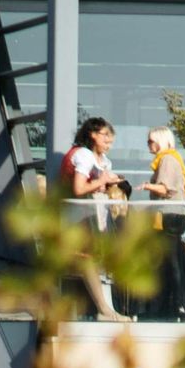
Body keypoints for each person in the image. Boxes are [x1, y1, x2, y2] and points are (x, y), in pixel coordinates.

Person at [60, 115, 125, 317]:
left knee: (96, 261)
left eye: (110, 139)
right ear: (92, 134)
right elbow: (79, 189)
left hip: (93, 216)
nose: (108, 142)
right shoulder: (83, 155)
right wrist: (102, 181)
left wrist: (110, 184)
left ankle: (102, 308)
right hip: (78, 216)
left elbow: (95, 186)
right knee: (87, 260)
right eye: (105, 136)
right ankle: (103, 309)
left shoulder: (103, 160)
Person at [139, 126, 185, 320]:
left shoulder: (167, 159)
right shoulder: (171, 159)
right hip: (174, 214)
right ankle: (173, 304)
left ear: (161, 141)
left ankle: (176, 304)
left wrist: (146, 186)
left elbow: (165, 189)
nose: (149, 145)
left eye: (151, 141)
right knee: (169, 260)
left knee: (170, 260)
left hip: (170, 215)